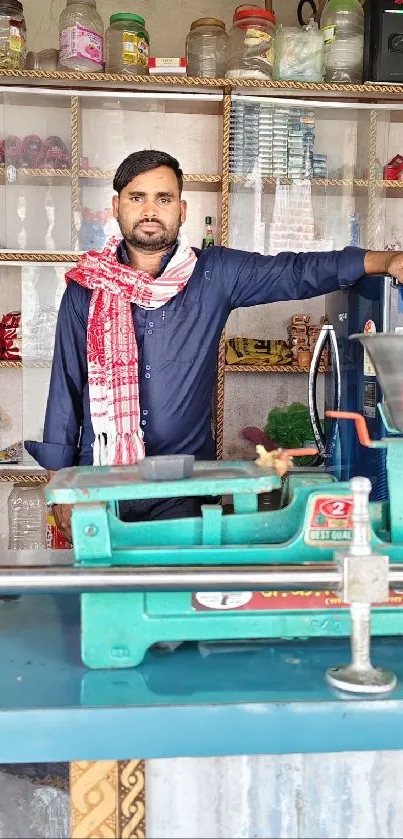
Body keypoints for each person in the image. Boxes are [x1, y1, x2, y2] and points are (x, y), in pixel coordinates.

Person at [25, 149, 403, 543]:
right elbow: (66, 387)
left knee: (181, 595)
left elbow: (295, 271)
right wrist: (60, 487)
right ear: (117, 207)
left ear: (182, 210)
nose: (150, 210)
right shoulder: (87, 288)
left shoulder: (215, 273)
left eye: (164, 198)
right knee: (105, 596)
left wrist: (385, 260)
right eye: (137, 198)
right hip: (99, 484)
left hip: (183, 490)